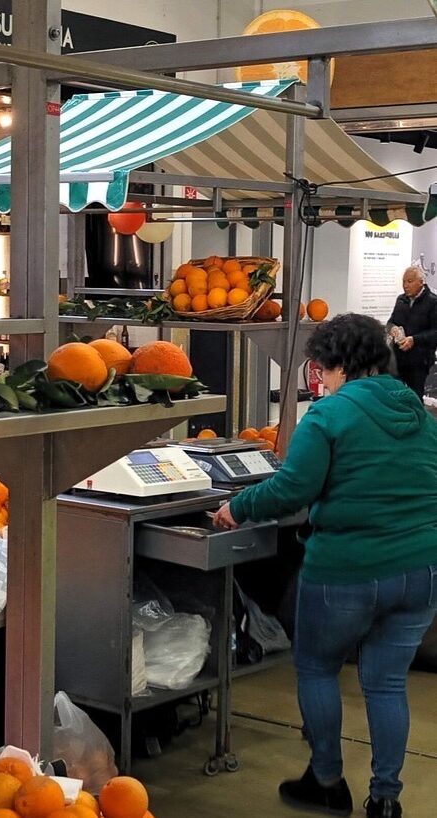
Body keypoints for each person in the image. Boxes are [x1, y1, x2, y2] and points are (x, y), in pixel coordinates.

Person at [213, 313, 437, 818]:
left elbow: (294, 488)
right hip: (422, 570)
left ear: (336, 365)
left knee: (316, 668)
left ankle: (328, 781)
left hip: (346, 570)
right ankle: (386, 800)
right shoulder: (422, 417)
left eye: (322, 369)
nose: (321, 379)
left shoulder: (329, 416)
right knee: (386, 683)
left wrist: (238, 507)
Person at [386, 265, 437, 398]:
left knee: (415, 398)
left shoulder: (433, 302)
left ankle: (418, 418)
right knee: (396, 396)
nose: (405, 285)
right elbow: (390, 322)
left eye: (409, 281)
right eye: (403, 281)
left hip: (420, 360)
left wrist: (414, 340)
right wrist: (393, 329)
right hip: (398, 359)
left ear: (421, 282)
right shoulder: (401, 300)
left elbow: (435, 333)